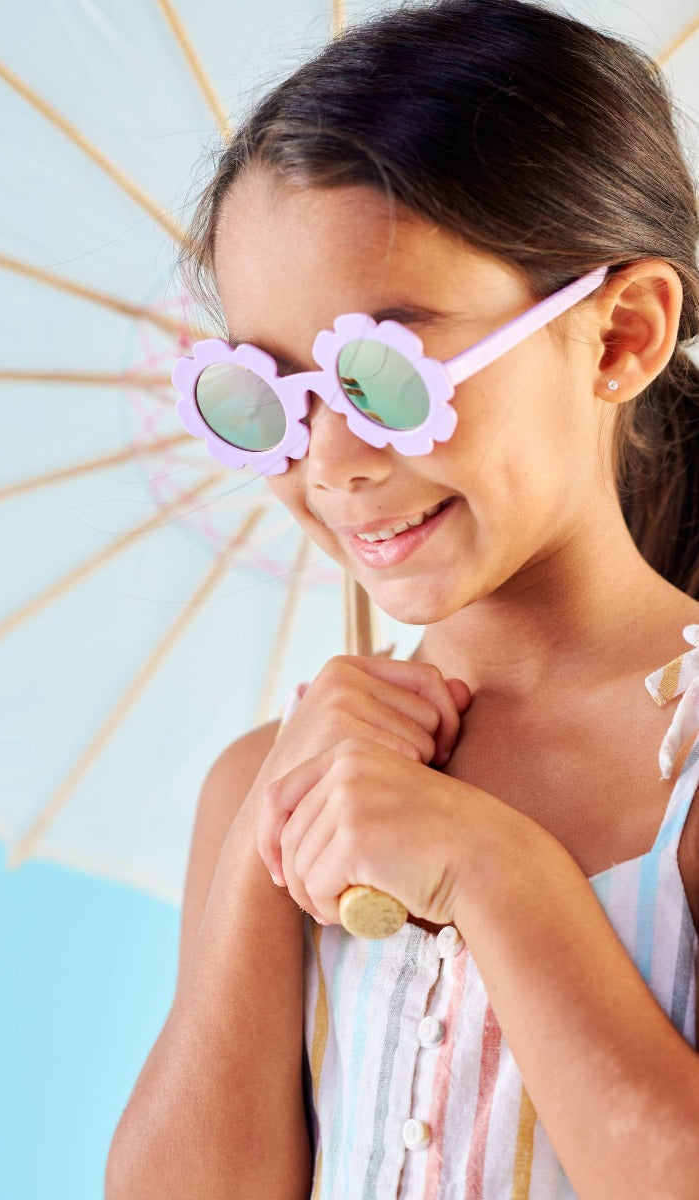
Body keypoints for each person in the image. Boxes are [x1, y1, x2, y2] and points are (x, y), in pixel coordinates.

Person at [105, 1, 699, 1196]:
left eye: (382, 372)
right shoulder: (269, 783)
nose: (328, 465)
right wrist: (264, 848)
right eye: (264, 392)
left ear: (619, 337)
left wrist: (497, 873)